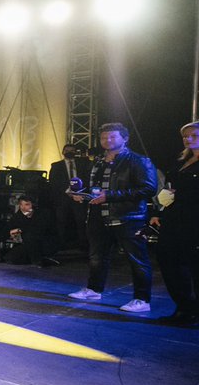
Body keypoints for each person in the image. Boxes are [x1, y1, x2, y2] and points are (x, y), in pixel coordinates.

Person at [67, 122, 157, 312]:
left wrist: (110, 196)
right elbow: (95, 187)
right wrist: (81, 194)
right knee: (97, 257)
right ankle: (94, 289)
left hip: (128, 217)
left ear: (125, 138)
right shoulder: (98, 161)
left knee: (137, 260)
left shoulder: (138, 160)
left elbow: (148, 188)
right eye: (103, 137)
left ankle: (142, 300)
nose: (107, 140)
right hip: (98, 216)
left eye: (112, 136)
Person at [150, 121, 199, 326]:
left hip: (194, 221)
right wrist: (159, 211)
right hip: (173, 219)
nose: (188, 139)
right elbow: (168, 188)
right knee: (169, 262)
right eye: (185, 136)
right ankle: (185, 308)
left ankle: (192, 312)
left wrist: (180, 195)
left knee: (194, 266)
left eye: (194, 135)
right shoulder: (181, 161)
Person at [47, 143, 91, 250]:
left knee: (81, 221)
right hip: (62, 198)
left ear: (75, 152)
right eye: (67, 150)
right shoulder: (56, 166)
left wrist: (80, 192)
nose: (69, 152)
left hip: (79, 197)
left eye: (72, 150)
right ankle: (61, 245)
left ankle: (83, 245)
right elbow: (54, 182)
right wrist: (68, 192)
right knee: (61, 222)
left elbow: (87, 179)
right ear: (63, 152)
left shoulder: (83, 164)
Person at [2, 196, 58, 266]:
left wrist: (19, 230)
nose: (23, 207)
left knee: (30, 236)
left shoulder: (43, 214)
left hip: (45, 243)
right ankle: (39, 259)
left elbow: (38, 230)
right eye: (21, 205)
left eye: (27, 204)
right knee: (11, 258)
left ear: (33, 205)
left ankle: (38, 260)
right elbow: (7, 228)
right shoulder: (19, 215)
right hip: (29, 245)